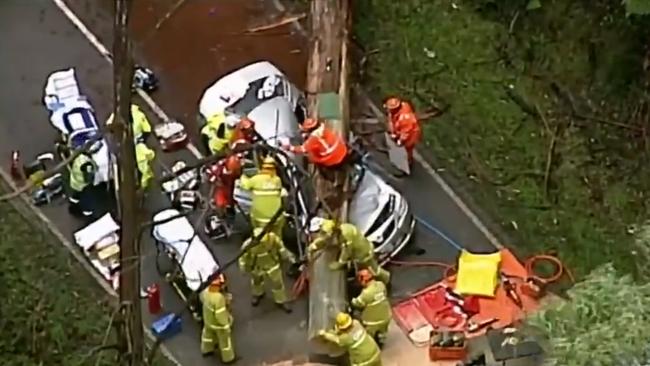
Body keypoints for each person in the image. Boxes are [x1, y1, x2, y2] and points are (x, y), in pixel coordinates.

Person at [307, 217, 390, 284]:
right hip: (358, 254)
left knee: (374, 270)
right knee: (365, 272)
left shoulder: (345, 234)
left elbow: (346, 252)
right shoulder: (332, 229)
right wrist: (313, 246)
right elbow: (325, 240)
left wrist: (339, 263)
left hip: (363, 253)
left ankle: (386, 279)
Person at [238, 227, 296, 313]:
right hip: (257, 267)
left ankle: (281, 301)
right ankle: (258, 294)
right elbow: (242, 257)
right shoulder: (248, 244)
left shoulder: (272, 238)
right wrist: (243, 268)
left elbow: (281, 248)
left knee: (278, 284)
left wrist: (288, 257)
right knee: (257, 281)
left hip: (272, 265)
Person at [238, 156, 287, 237]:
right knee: (277, 238)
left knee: (261, 238)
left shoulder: (256, 179)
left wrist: (242, 175)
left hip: (260, 219)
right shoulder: (277, 180)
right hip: (277, 218)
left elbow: (245, 185)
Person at [318, 312, 382, 366]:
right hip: (375, 352)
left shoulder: (345, 339)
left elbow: (335, 339)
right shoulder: (356, 323)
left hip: (364, 361)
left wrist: (324, 334)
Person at [281, 118, 348, 168]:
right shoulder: (323, 129)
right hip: (342, 149)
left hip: (333, 159)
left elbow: (302, 149)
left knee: (312, 158)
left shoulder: (313, 139)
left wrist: (289, 147)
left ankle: (332, 177)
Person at [199, 274, 235, 364]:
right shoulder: (219, 298)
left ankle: (207, 350)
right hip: (218, 325)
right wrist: (226, 325)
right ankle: (228, 358)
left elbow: (202, 299)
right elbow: (220, 315)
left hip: (208, 321)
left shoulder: (206, 292)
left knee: (207, 336)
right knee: (225, 341)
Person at [352, 269, 392, 347]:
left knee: (370, 335)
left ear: (364, 281)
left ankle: (372, 346)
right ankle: (381, 342)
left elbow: (357, 304)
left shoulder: (366, 293)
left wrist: (353, 300)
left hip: (372, 322)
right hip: (386, 317)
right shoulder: (381, 285)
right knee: (383, 331)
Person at [383, 97, 421, 167]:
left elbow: (406, 133)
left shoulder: (404, 119)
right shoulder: (402, 107)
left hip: (411, 136)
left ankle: (408, 162)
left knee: (407, 149)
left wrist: (400, 141)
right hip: (402, 130)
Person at [206, 154, 242, 221]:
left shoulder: (236, 167)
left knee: (229, 201)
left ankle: (230, 214)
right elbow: (210, 177)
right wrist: (217, 181)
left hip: (229, 187)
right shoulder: (218, 169)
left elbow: (238, 175)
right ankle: (220, 216)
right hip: (220, 189)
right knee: (220, 203)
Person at [68, 151, 98, 217]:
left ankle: (73, 202)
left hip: (75, 181)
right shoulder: (87, 164)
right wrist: (91, 181)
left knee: (76, 194)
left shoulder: (80, 157)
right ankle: (87, 212)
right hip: (83, 184)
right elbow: (87, 177)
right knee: (87, 197)